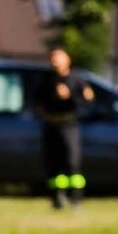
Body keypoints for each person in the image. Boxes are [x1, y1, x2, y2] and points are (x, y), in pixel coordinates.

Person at [34, 47, 94, 209]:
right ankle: (57, 199)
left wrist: (69, 96)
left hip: (69, 125)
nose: (55, 62)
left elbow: (87, 99)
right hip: (51, 125)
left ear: (67, 60)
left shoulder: (76, 79)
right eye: (52, 58)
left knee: (72, 161)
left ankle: (76, 199)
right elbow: (37, 101)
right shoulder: (47, 80)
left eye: (58, 58)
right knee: (53, 164)